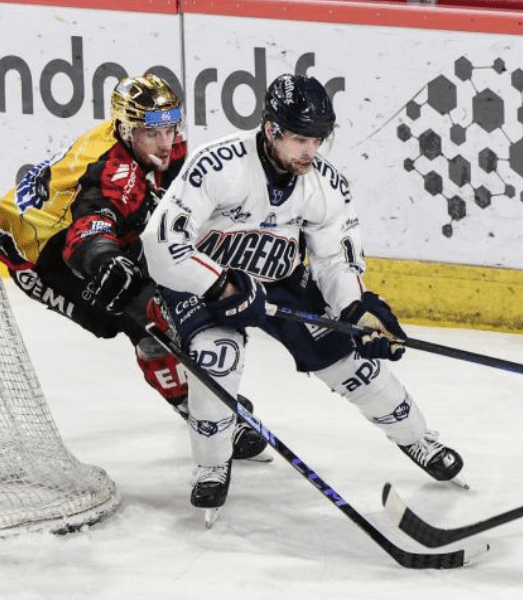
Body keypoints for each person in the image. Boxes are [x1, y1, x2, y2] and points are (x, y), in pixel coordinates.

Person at [139, 73, 466, 524]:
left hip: (278, 280)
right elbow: (160, 245)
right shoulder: (217, 165)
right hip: (203, 279)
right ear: (271, 129)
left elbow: (334, 260)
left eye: (317, 140)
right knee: (217, 356)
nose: (310, 152)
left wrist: (356, 309)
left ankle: (418, 437)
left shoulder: (324, 184)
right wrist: (220, 287)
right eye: (298, 139)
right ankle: (212, 466)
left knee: (353, 363)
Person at [0, 73, 267, 461]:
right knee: (138, 317)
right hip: (39, 254)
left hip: (90, 226)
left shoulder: (156, 140)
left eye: (170, 129)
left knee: (172, 280)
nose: (165, 142)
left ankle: (208, 397)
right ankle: (198, 410)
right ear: (124, 130)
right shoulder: (113, 172)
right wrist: (105, 259)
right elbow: (87, 231)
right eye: (151, 134)